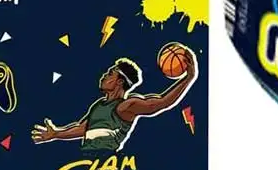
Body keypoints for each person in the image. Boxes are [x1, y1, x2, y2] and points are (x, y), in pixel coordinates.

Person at [32, 48, 197, 153]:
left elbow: (162, 102)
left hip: (107, 159)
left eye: (110, 73)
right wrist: (56, 133)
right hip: (87, 157)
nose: (104, 76)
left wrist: (189, 78)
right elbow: (82, 128)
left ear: (120, 81)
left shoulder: (126, 106)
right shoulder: (99, 105)